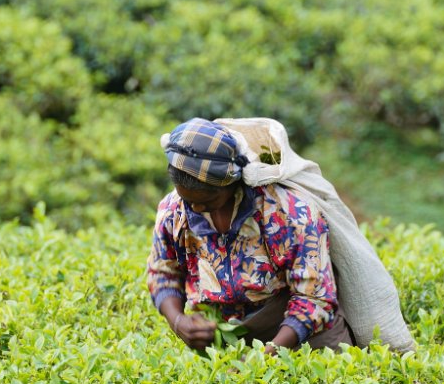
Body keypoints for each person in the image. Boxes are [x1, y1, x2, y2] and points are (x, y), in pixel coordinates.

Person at [146, 118, 354, 355]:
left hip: (301, 335)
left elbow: (314, 297)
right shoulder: (173, 211)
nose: (196, 209)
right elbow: (163, 272)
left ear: (231, 184)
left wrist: (266, 356)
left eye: (208, 201)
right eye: (188, 200)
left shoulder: (289, 213)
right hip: (225, 338)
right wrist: (177, 321)